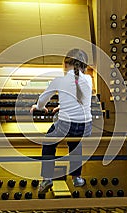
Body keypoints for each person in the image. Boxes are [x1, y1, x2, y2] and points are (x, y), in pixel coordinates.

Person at [30, 48, 93, 194]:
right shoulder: (89, 79)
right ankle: (77, 177)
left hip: (67, 125)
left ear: (65, 65)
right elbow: (80, 98)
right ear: (84, 66)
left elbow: (42, 100)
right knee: (75, 140)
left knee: (49, 140)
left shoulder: (59, 80)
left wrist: (39, 106)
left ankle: (47, 178)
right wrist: (63, 106)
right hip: (86, 127)